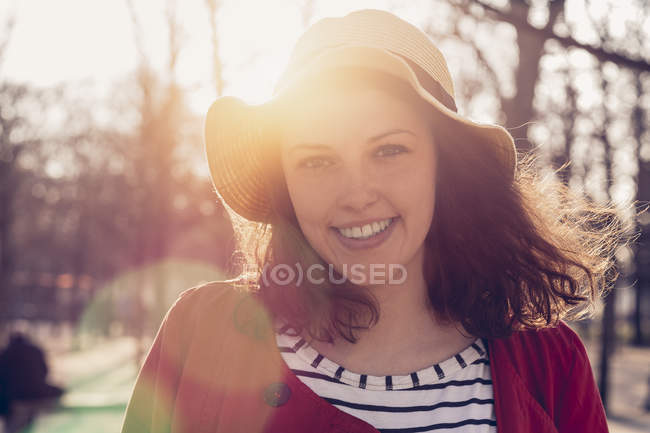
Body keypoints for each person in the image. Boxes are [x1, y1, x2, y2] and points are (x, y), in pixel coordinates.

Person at [121, 8, 628, 433]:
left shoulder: (550, 364)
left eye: (389, 150)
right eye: (317, 160)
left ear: (443, 168)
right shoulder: (203, 331)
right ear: (286, 186)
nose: (356, 193)